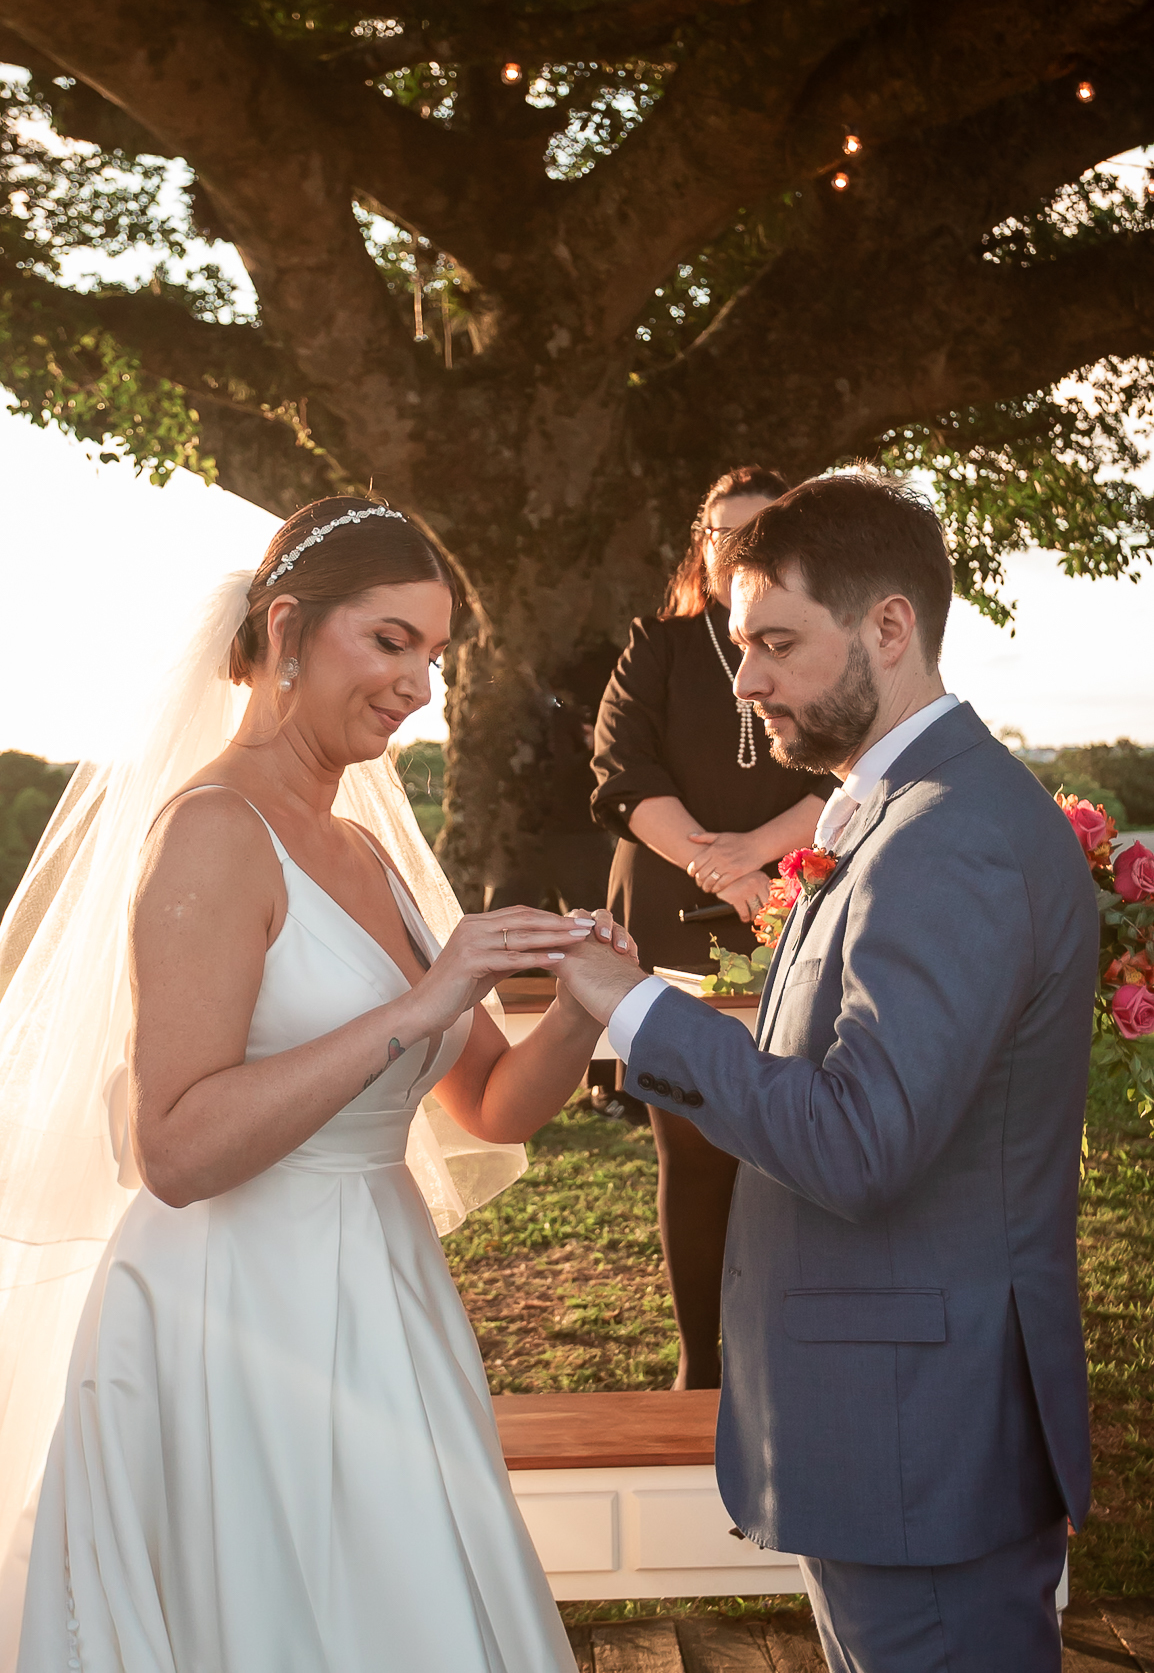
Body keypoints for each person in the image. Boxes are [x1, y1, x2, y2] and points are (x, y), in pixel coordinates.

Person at [0, 496, 636, 1673]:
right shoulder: (211, 831)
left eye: (435, 656)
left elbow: (488, 1105)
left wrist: (587, 1004)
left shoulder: (367, 850)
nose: (420, 687)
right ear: (286, 628)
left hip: (385, 1290)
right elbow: (178, 1151)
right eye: (391, 642)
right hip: (237, 1312)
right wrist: (419, 1004)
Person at [556, 472, 1098, 1673]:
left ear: (889, 628)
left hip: (921, 1437)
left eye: (774, 645)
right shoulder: (894, 807)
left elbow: (860, 1144)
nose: (744, 683)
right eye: (742, 645)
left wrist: (636, 1010)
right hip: (895, 1432)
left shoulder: (946, 833)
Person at [590, 466, 832, 1389]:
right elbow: (620, 770)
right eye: (727, 536)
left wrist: (761, 862)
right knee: (689, 1153)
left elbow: (849, 771)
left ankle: (785, 1363)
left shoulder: (825, 645)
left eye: (764, 533)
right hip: (669, 916)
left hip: (797, 907)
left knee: (789, 1153)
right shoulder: (658, 645)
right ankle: (701, 1366)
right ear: (704, 549)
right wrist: (713, 864)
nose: (743, 551)